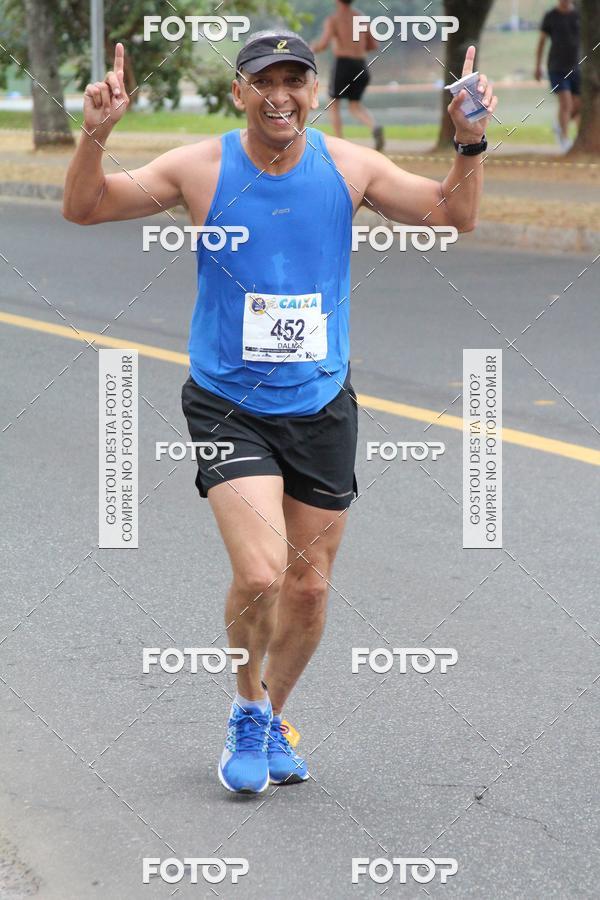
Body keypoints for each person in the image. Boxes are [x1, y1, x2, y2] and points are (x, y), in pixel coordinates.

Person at [63, 30, 496, 794]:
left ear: (313, 93)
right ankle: (242, 704)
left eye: (297, 80)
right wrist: (95, 136)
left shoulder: (347, 166)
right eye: (266, 80)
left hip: (322, 401)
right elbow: (85, 207)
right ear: (240, 92)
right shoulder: (202, 167)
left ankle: (269, 714)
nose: (282, 95)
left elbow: (450, 217)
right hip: (229, 400)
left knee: (310, 586)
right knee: (262, 571)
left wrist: (469, 144)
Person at [311, 0, 385, 151]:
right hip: (361, 65)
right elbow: (374, 45)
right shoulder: (361, 18)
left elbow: (324, 44)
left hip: (343, 64)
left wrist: (310, 48)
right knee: (355, 105)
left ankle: (339, 143)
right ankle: (375, 126)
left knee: (334, 104)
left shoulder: (334, 19)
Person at [535, 0, 581, 152]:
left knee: (577, 105)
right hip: (557, 67)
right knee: (566, 102)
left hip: (577, 67)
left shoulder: (579, 14)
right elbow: (542, 41)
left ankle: (560, 124)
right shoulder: (551, 16)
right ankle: (565, 140)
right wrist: (537, 66)